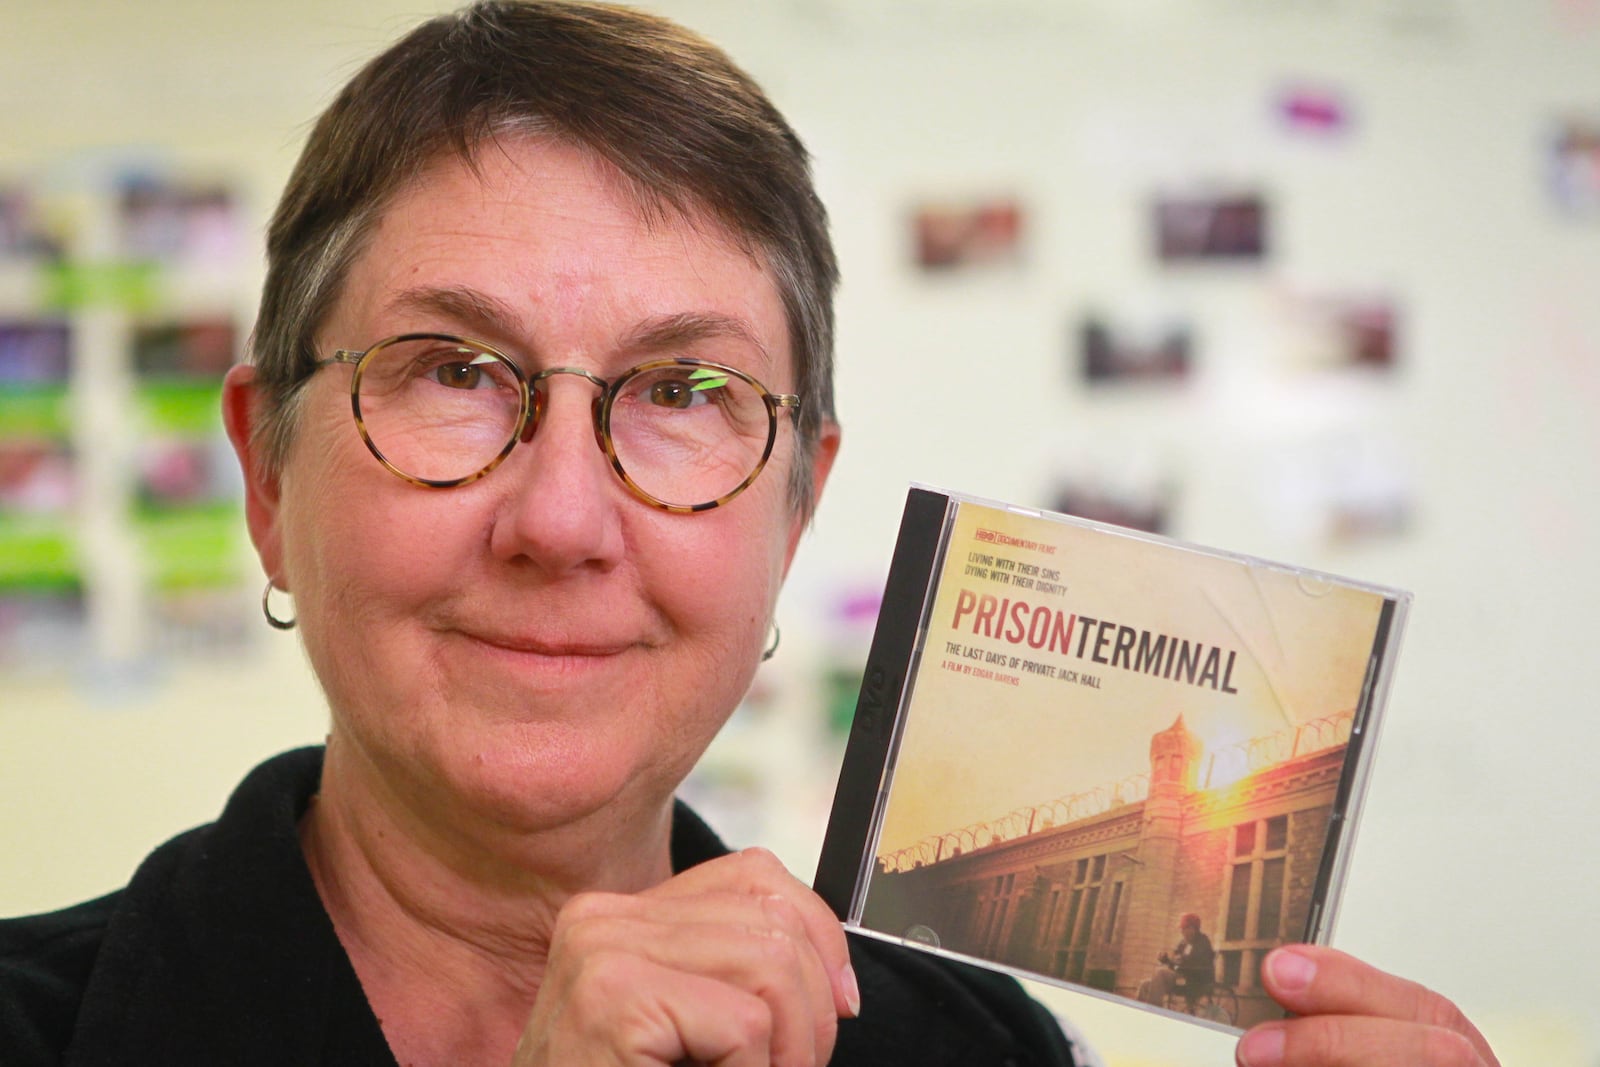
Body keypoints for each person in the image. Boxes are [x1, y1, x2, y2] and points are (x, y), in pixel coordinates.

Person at [0, 4, 1501, 1066]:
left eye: (685, 390)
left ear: (794, 513)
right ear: (269, 476)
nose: (564, 518)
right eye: (454, 370)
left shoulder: (978, 1054)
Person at [1136, 913, 1215, 1011]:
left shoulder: (1203, 942)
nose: (1181, 932)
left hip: (1194, 981)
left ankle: (1153, 1012)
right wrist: (1166, 960)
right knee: (1144, 985)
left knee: (1161, 973)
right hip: (1181, 979)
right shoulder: (1183, 943)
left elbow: (1198, 964)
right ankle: (1139, 1011)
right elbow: (1175, 962)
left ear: (1192, 928)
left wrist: (1181, 962)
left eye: (1184, 928)